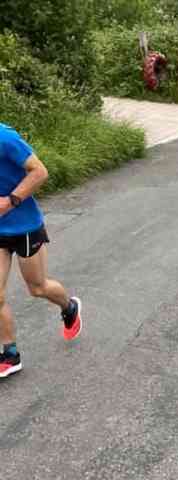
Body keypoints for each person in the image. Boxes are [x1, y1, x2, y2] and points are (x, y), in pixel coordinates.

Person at [0, 122, 82, 378]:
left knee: (37, 288)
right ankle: (10, 354)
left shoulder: (5, 137)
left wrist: (10, 202)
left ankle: (69, 307)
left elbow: (39, 171)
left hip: (24, 227)